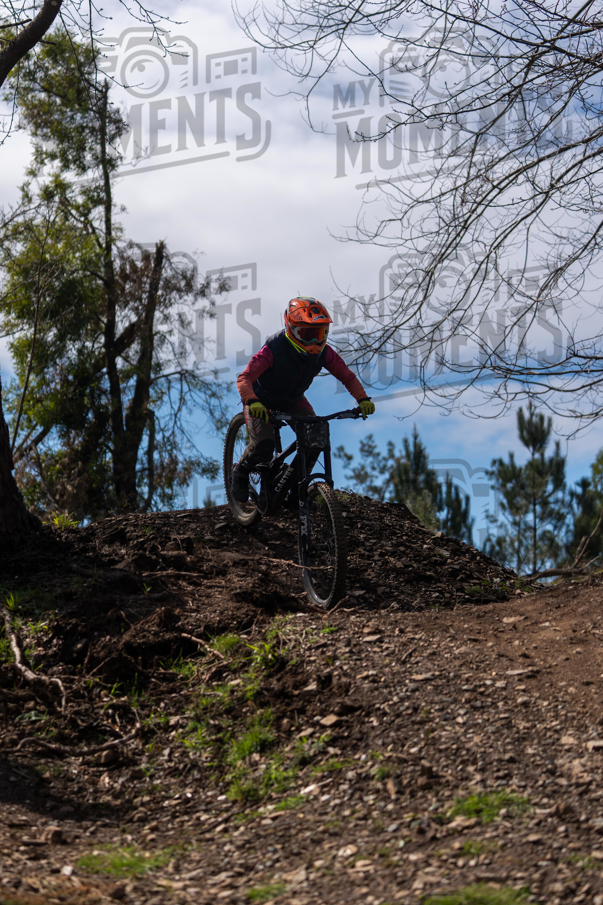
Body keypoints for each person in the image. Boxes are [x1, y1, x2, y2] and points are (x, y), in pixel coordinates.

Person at [232, 296, 375, 502]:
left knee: (316, 440)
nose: (315, 341)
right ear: (292, 329)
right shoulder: (273, 349)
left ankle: (294, 488)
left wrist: (363, 399)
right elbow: (245, 378)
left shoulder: (325, 353)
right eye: (308, 334)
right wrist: (252, 401)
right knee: (263, 445)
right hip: (261, 400)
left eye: (320, 334)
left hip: (292, 400)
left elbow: (347, 377)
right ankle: (241, 471)